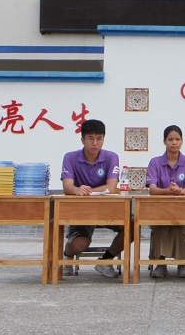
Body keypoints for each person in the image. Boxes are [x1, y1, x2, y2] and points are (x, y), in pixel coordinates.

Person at [59, 118, 125, 278]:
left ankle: (105, 261)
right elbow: (67, 186)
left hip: (107, 209)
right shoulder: (70, 157)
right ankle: (67, 255)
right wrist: (76, 190)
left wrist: (87, 191)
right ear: (82, 139)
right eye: (90, 138)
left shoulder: (111, 157)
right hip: (81, 210)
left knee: (132, 226)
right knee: (79, 245)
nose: (95, 143)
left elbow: (111, 187)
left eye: (99, 138)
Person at [146, 124, 185, 278]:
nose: (174, 142)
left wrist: (181, 191)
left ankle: (182, 264)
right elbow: (152, 189)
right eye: (170, 139)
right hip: (160, 211)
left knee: (179, 226)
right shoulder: (155, 162)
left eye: (177, 139)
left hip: (184, 211)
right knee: (161, 226)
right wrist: (168, 191)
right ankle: (160, 264)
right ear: (164, 141)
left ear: (182, 141)